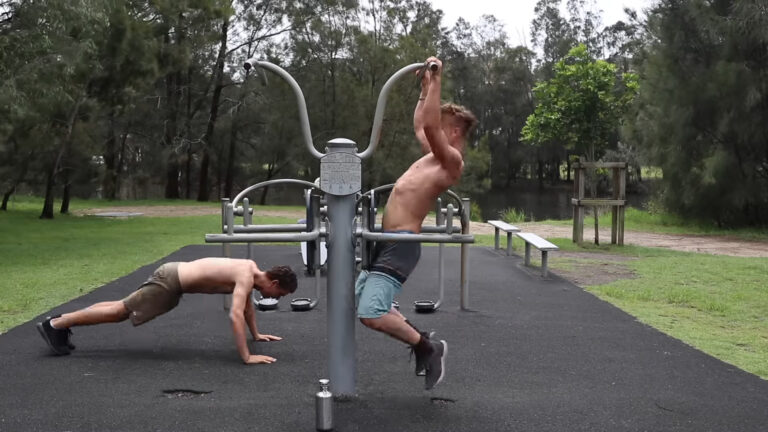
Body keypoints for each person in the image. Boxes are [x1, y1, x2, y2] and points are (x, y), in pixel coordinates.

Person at [355, 56, 478, 390]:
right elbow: (419, 126)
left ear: (451, 131)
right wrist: (425, 90)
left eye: (440, 121)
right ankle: (422, 342)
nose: (431, 120)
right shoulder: (431, 156)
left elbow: (428, 127)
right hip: (386, 242)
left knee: (371, 313)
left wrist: (437, 80)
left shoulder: (451, 161)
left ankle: (427, 347)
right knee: (361, 302)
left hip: (401, 246)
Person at [36, 258, 297, 364]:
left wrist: (257, 335)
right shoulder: (245, 274)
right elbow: (236, 314)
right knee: (120, 311)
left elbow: (248, 309)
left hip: (173, 276)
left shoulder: (250, 271)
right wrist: (247, 356)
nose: (277, 298)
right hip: (171, 281)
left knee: (123, 306)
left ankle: (59, 323)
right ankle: (56, 325)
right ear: (274, 283)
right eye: (280, 294)